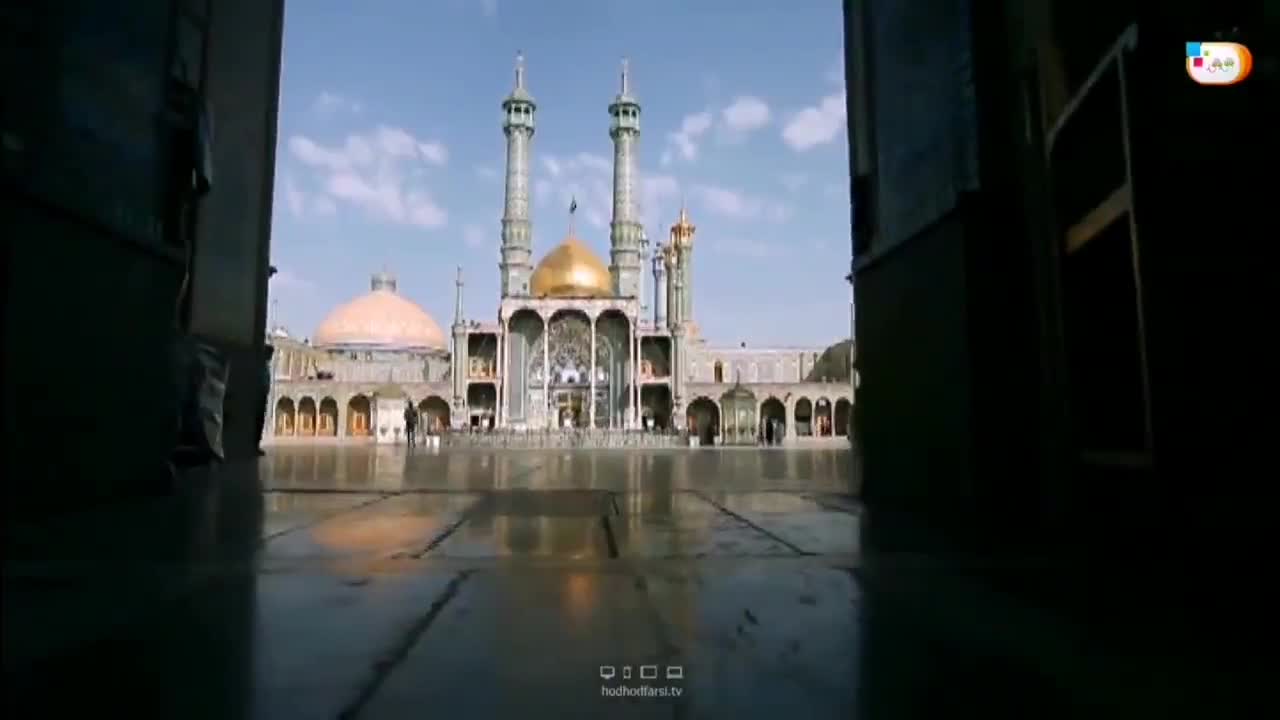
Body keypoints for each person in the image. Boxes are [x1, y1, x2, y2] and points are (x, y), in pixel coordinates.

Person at [255, 344, 274, 456]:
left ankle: (256, 444)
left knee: (260, 421)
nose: (271, 357)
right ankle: (253, 445)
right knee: (257, 422)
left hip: (263, 397)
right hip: (258, 397)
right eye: (269, 354)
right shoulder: (259, 366)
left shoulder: (265, 366)